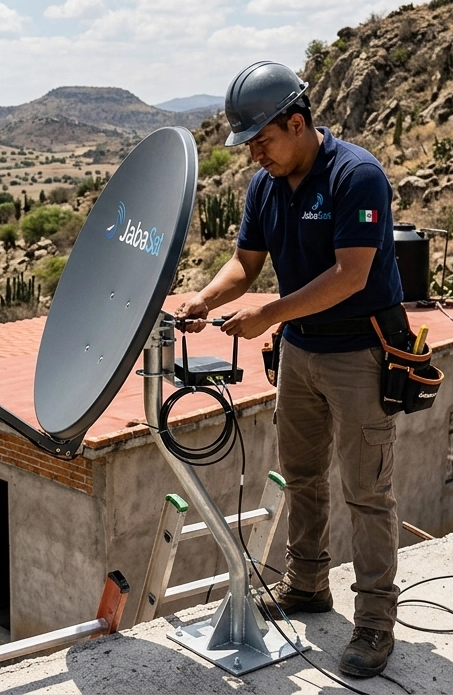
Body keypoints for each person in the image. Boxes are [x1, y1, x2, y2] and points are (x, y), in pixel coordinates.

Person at [175, 61, 404, 679]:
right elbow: (245, 264)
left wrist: (267, 314)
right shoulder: (266, 186)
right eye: (249, 145)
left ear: (297, 123)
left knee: (367, 492)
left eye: (263, 140)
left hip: (359, 353)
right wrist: (207, 299)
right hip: (301, 353)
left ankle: (376, 623)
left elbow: (351, 275)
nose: (256, 155)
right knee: (302, 477)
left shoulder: (357, 176)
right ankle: (308, 585)